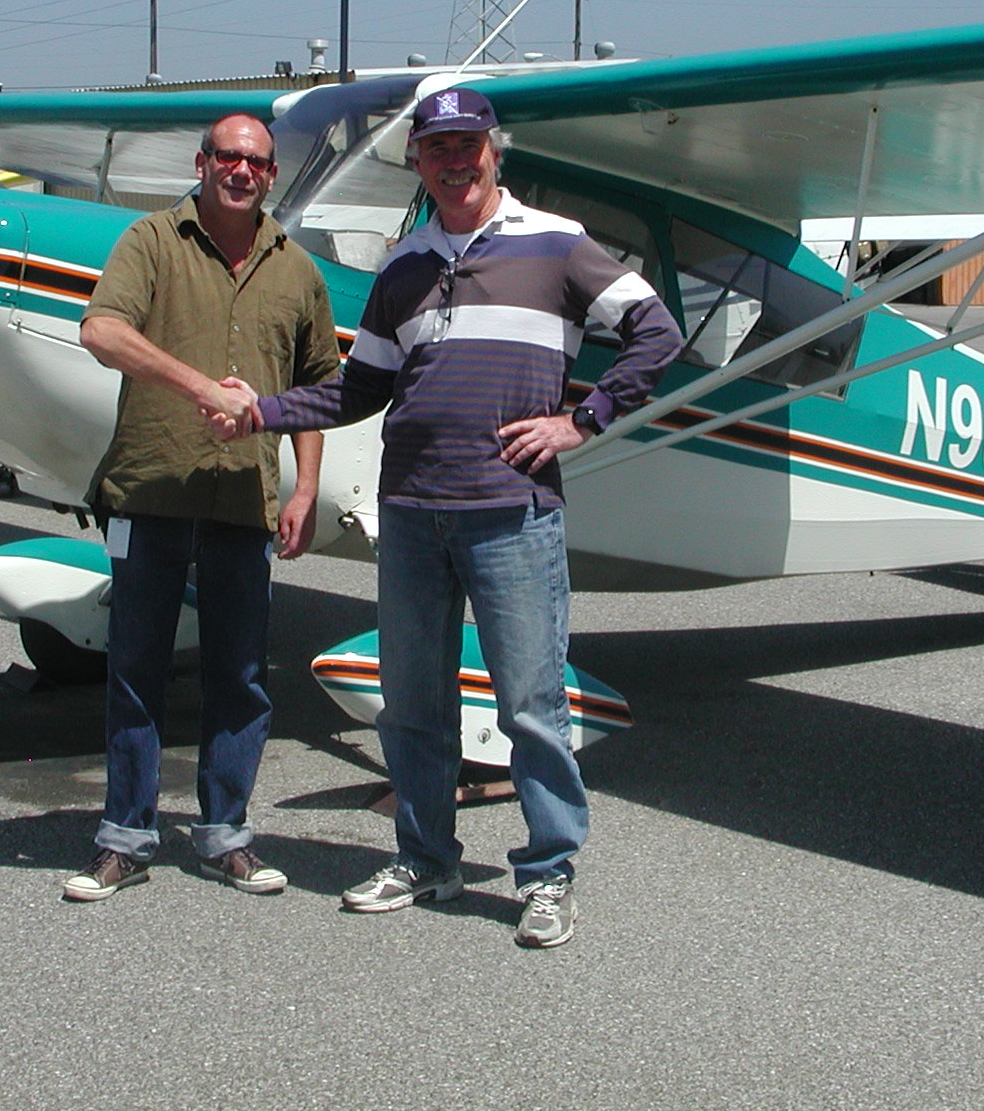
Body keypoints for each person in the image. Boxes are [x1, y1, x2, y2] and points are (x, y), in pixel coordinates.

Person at [215, 86, 683, 947]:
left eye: (468, 144)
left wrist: (581, 422)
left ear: (493, 151)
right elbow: (363, 388)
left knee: (532, 705)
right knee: (411, 707)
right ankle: (425, 859)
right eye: (437, 149)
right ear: (421, 163)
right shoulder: (403, 266)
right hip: (413, 513)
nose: (455, 161)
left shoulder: (557, 244)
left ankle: (547, 875)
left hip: (512, 513)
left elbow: (655, 331)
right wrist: (263, 412)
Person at [61, 113, 339, 903]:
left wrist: (307, 488)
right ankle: (125, 837)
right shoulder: (152, 241)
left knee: (241, 675)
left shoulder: (298, 271)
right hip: (150, 489)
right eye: (227, 157)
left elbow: (318, 391)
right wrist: (200, 390)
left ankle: (226, 835)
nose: (240, 171)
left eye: (255, 161)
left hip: (245, 501)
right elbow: (102, 330)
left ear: (271, 174)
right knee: (136, 669)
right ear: (203, 162)